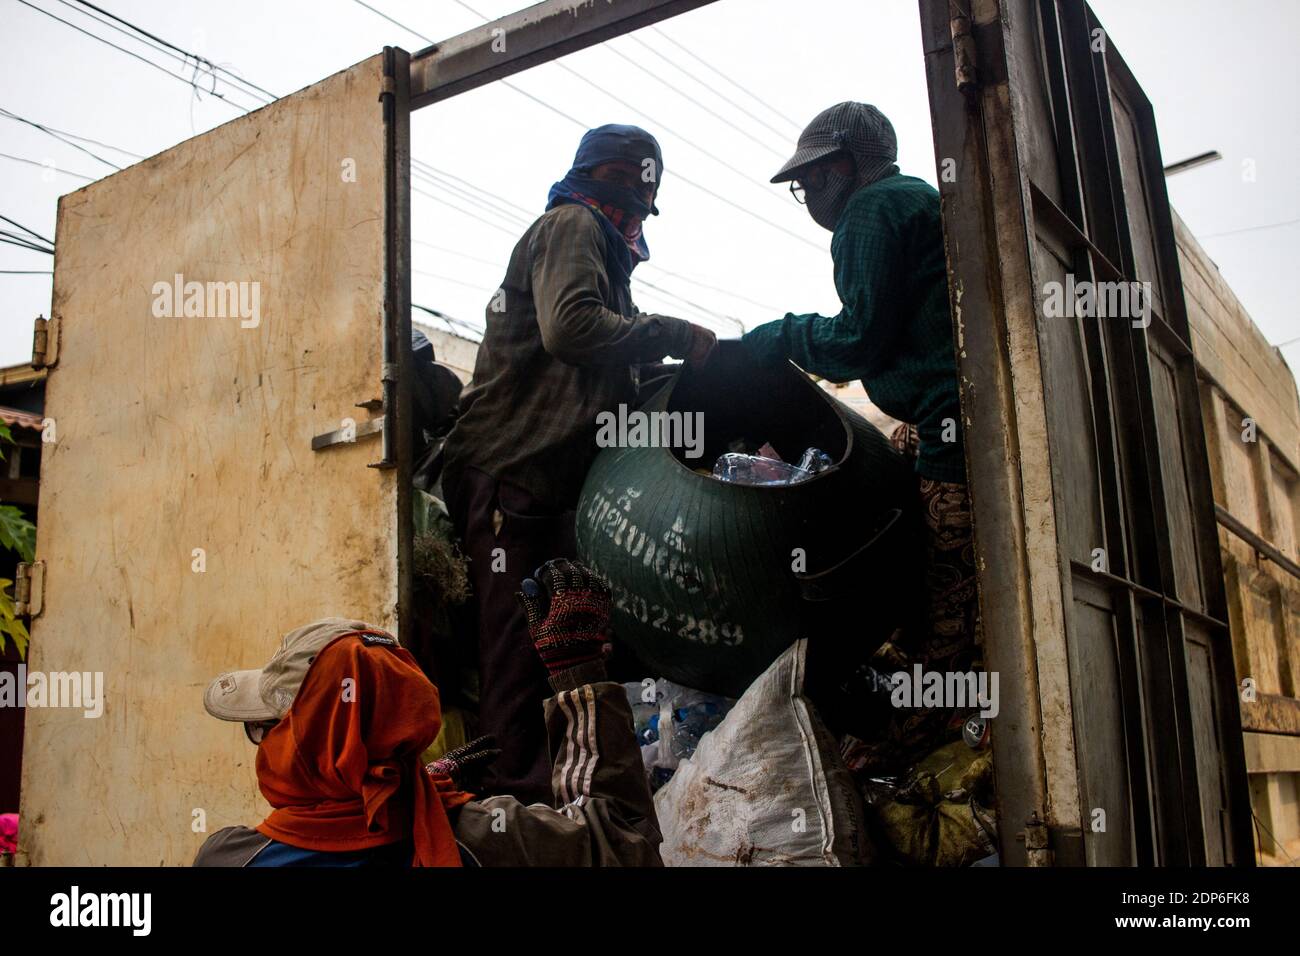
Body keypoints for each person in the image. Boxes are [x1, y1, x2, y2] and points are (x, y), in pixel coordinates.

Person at [439, 124, 716, 803]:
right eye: (618, 179)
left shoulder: (605, 250)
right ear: (590, 174)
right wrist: (675, 334)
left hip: (546, 487)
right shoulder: (572, 226)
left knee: (557, 646)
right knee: (515, 657)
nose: (629, 197)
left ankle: (552, 801)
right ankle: (512, 814)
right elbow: (571, 329)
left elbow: (605, 356)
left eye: (639, 186)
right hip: (511, 474)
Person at [742, 102, 979, 770]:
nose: (809, 193)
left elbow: (857, 340)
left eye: (812, 179)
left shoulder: (869, 213)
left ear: (847, 168)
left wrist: (774, 338)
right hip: (946, 417)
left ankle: (903, 749)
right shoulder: (912, 199)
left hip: (951, 432)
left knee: (944, 624)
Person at [193, 560, 662, 867]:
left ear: (301, 747)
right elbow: (625, 846)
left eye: (265, 731)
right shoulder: (482, 840)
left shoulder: (231, 858)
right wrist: (578, 676)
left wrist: (388, 795)